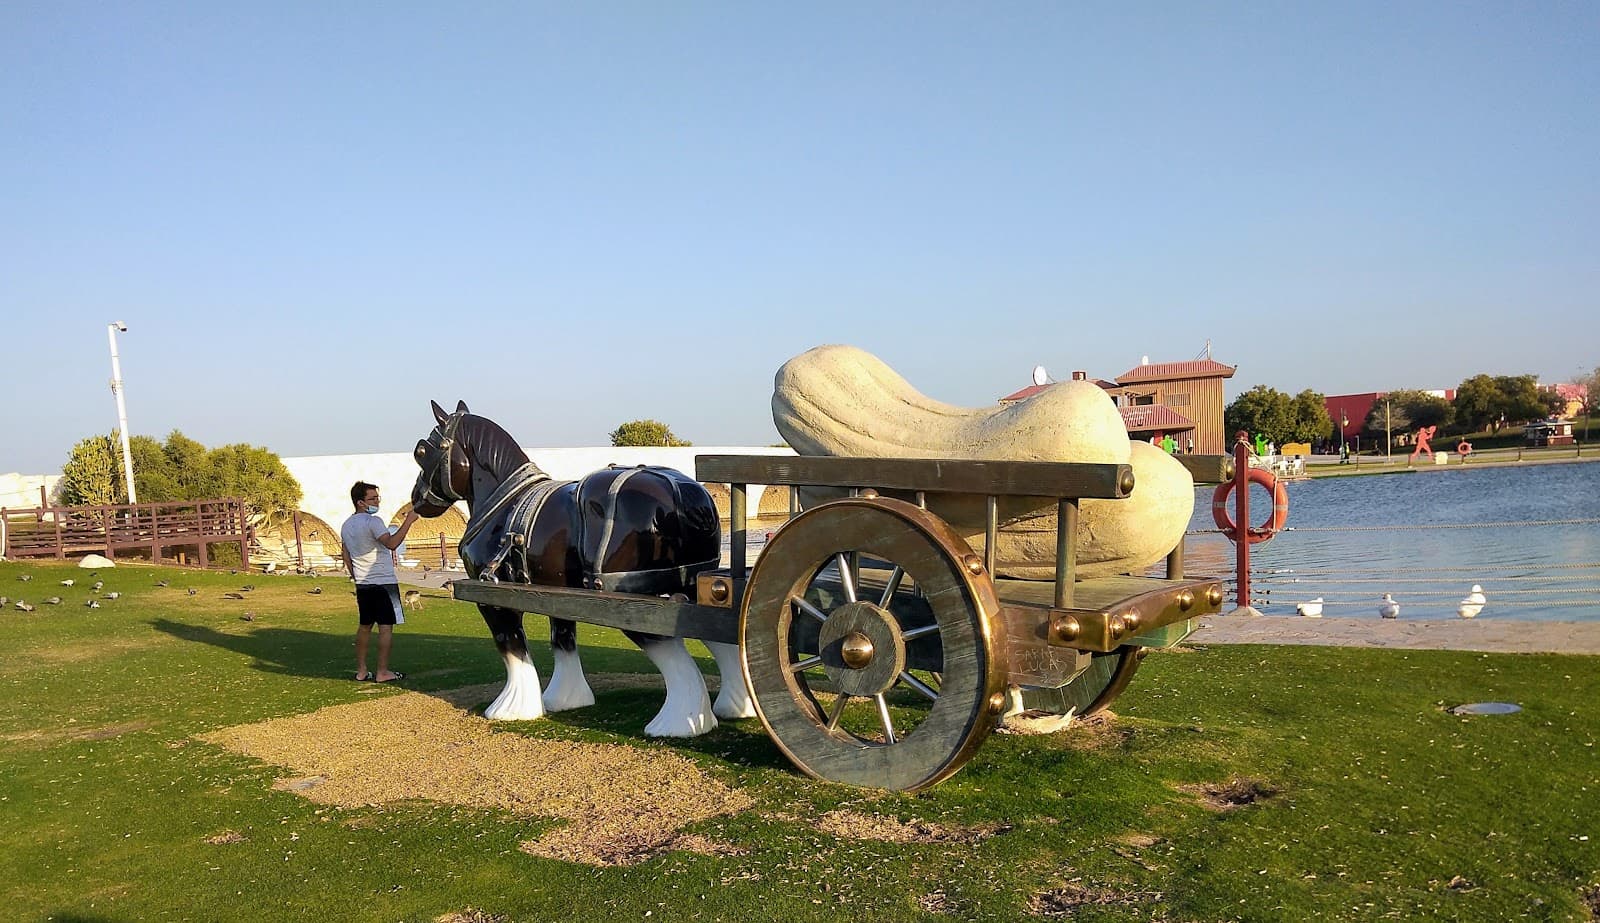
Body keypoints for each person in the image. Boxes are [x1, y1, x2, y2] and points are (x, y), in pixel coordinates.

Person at [340, 481, 421, 682]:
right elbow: (392, 544)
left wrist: (355, 576)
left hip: (363, 584)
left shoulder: (346, 525)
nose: (377, 501)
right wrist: (408, 522)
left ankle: (361, 670)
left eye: (377, 497)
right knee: (385, 627)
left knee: (365, 625)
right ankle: (383, 672)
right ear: (360, 502)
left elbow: (346, 555)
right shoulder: (373, 521)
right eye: (372, 498)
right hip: (383, 582)